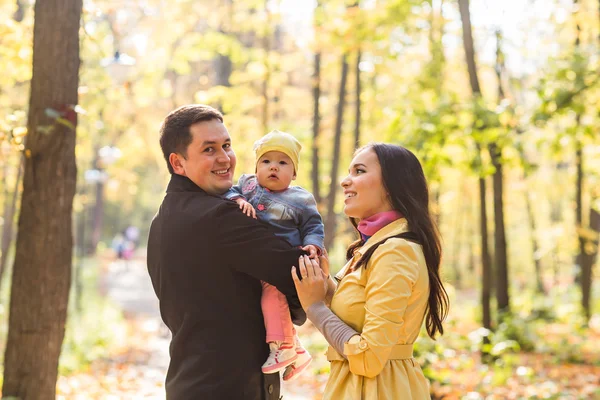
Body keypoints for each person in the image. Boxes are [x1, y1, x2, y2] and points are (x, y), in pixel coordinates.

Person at [147, 104, 307, 400]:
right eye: (209, 149)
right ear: (178, 162)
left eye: (227, 145)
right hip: (230, 388)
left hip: (187, 384)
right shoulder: (220, 217)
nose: (225, 159)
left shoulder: (160, 222)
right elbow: (299, 274)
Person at [291, 143, 449, 400]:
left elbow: (368, 357)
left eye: (359, 171)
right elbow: (360, 314)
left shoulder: (395, 251)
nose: (345, 181)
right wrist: (326, 287)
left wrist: (315, 308)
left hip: (380, 390)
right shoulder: (375, 246)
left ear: (391, 184)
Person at [224, 130, 324, 381]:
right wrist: (238, 200)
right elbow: (227, 191)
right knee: (268, 303)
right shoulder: (247, 185)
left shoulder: (301, 199)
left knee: (272, 295)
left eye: (283, 162)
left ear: (294, 172)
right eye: (266, 162)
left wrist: (313, 245)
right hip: (257, 258)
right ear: (256, 167)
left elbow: (313, 225)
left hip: (283, 261)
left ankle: (283, 346)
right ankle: (298, 350)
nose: (273, 168)